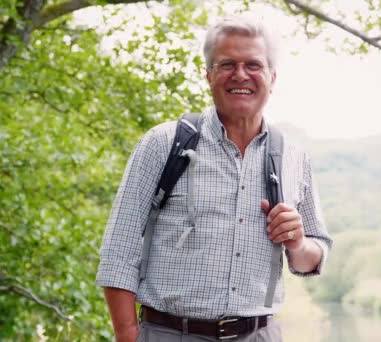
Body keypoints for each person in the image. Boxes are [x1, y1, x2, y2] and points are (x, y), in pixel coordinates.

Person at [95, 15, 332, 342]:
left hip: (260, 335)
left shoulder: (294, 158)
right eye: (227, 64)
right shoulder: (164, 143)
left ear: (272, 77)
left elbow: (312, 258)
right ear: (208, 75)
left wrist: (298, 242)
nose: (240, 75)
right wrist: (127, 336)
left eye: (253, 65)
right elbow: (119, 250)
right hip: (170, 333)